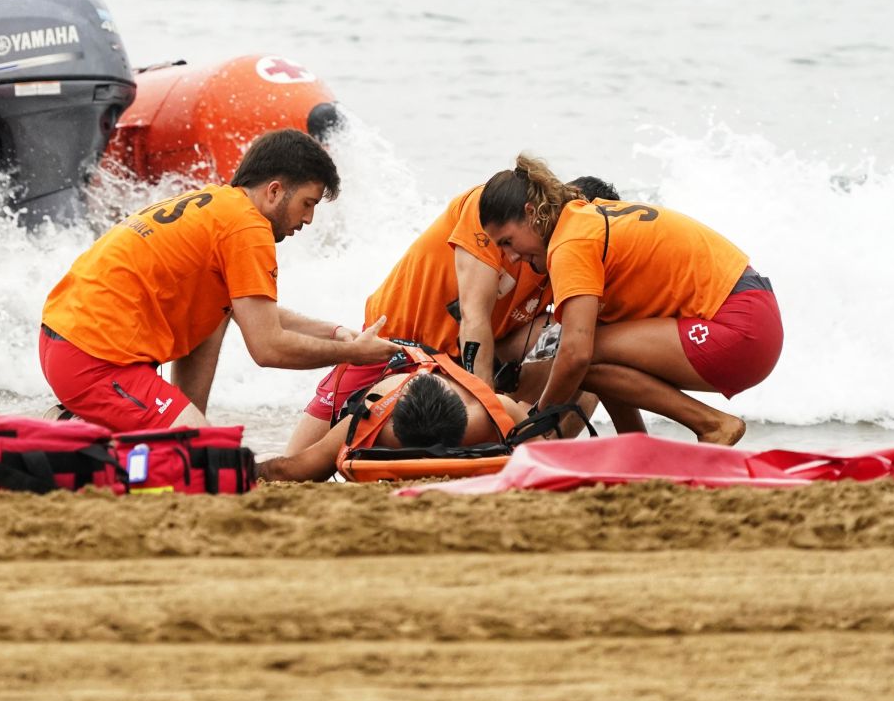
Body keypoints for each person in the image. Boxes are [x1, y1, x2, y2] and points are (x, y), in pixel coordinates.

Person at [38, 128, 400, 433]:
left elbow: (253, 310)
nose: (308, 220)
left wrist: (334, 332)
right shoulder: (248, 228)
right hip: (95, 360)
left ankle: (157, 420)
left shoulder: (219, 204)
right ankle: (71, 428)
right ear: (274, 191)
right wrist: (353, 354)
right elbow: (268, 347)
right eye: (308, 203)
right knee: (206, 456)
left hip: (63, 339)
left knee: (219, 307)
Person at [280, 173, 619, 453]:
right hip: (393, 344)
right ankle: (506, 430)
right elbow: (474, 318)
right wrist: (491, 409)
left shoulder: (579, 252)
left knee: (588, 345)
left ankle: (536, 449)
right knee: (299, 460)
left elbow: (581, 344)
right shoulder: (495, 211)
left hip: (462, 362)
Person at [478, 155, 782, 446]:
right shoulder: (582, 219)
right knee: (597, 343)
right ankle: (637, 446)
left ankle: (713, 425)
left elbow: (576, 354)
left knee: (584, 352)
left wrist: (538, 420)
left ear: (532, 212)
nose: (510, 257)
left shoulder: (570, 242)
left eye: (508, 242)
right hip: (755, 315)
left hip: (742, 327)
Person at [258, 351, 530, 482]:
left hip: (397, 364)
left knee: (292, 456)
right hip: (385, 357)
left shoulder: (374, 421)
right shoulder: (497, 414)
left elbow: (291, 469)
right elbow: (546, 456)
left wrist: (248, 466)